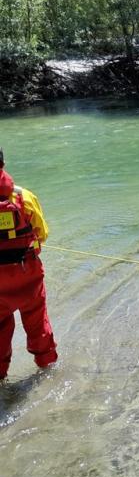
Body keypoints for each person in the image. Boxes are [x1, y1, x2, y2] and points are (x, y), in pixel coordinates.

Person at [0, 149, 58, 380]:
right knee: (37, 322)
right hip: (28, 275)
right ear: (3, 162)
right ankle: (47, 370)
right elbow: (42, 234)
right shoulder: (23, 196)